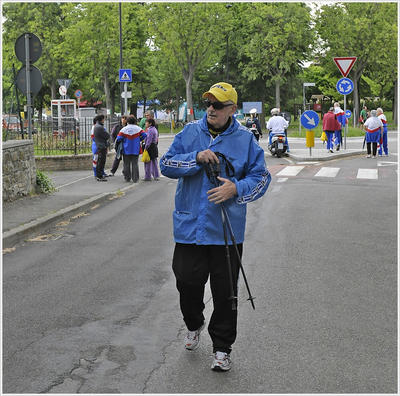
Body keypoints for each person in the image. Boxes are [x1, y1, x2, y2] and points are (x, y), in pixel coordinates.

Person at [159, 82, 271, 372]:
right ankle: (193, 323)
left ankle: (222, 348)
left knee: (225, 294)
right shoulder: (189, 132)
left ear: (232, 109)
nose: (211, 109)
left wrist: (236, 188)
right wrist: (194, 158)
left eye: (218, 105)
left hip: (225, 231)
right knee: (186, 283)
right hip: (189, 227)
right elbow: (166, 164)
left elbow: (261, 178)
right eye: (208, 103)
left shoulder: (246, 140)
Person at [116, 115, 147, 182]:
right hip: (135, 148)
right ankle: (135, 178)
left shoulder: (124, 129)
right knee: (135, 163)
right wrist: (139, 139)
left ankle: (127, 177)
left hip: (126, 148)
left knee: (126, 163)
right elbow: (145, 135)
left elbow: (118, 138)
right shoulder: (138, 129)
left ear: (127, 121)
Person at [93, 114, 110, 182]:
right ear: (102, 119)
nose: (104, 120)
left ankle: (98, 174)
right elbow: (107, 136)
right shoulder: (100, 127)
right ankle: (99, 175)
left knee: (100, 160)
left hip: (100, 145)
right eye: (104, 119)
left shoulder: (97, 126)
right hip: (101, 145)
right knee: (101, 161)